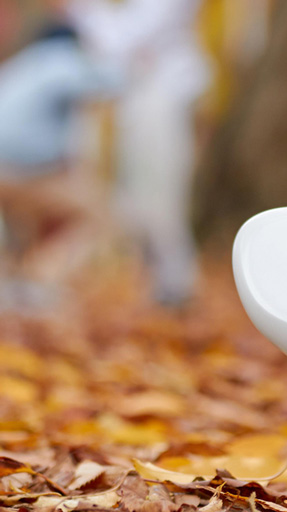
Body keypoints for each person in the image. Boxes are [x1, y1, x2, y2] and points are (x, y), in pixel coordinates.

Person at [69, 0, 210, 307]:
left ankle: (176, 285)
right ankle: (159, 286)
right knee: (138, 197)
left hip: (164, 96)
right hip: (142, 96)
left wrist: (79, 9)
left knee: (160, 196)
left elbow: (119, 40)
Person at [0, 22, 110, 309]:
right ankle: (40, 282)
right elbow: (106, 82)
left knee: (22, 226)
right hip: (24, 171)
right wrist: (117, 65)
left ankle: (10, 288)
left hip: (10, 173)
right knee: (96, 216)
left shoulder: (16, 66)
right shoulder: (61, 59)